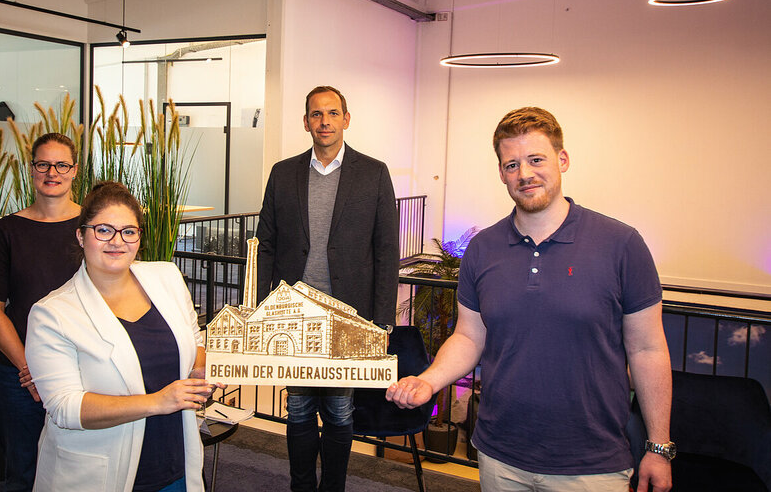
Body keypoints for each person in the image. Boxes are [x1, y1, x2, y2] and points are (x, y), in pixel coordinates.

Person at [386, 107, 674, 492]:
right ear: (501, 172)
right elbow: (470, 337)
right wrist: (428, 381)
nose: (524, 174)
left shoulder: (621, 244)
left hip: (592, 464)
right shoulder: (483, 249)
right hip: (499, 455)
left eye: (536, 159)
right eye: (511, 164)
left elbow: (648, 349)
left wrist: (659, 446)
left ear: (563, 160)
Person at [25, 181, 218, 492]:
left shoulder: (166, 277)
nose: (117, 241)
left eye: (129, 231)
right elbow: (66, 408)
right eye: (104, 230)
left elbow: (194, 340)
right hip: (100, 472)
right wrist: (156, 402)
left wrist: (201, 370)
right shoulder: (52, 313)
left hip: (174, 461)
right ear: (81, 235)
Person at [256, 85, 399, 492]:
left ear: (346, 119)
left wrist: (383, 319)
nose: (324, 122)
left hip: (348, 316)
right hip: (295, 314)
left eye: (333, 113)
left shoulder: (373, 173)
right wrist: (262, 307)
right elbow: (265, 242)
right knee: (298, 408)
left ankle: (332, 487)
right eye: (316, 114)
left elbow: (387, 250)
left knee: (338, 410)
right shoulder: (283, 173)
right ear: (306, 122)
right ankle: (301, 487)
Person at [0, 132, 81, 491]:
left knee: (79, 472)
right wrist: (30, 368)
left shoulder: (94, 229)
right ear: (32, 169)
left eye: (61, 164)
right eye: (43, 164)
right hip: (17, 377)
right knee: (24, 473)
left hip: (82, 370)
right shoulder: (6, 230)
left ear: (74, 170)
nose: (52, 172)